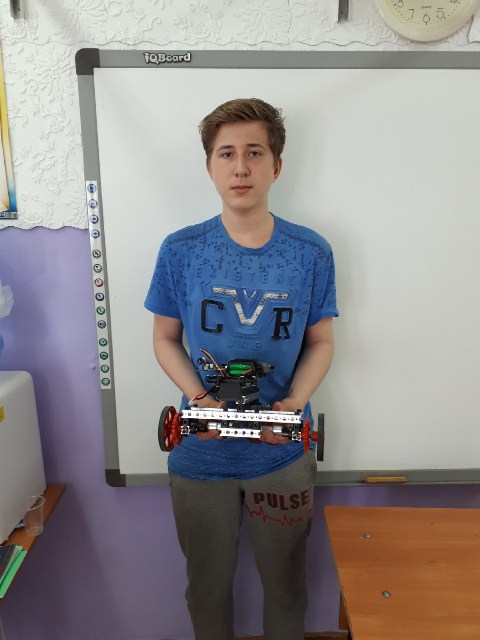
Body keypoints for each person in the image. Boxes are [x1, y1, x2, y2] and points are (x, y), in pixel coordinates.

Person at [144, 98, 338, 640]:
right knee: (206, 589)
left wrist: (293, 404)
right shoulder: (181, 250)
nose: (241, 167)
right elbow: (164, 339)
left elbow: (322, 341)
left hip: (281, 454)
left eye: (255, 152)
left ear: (277, 165)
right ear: (209, 167)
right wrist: (201, 400)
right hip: (200, 453)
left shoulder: (311, 252)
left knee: (287, 588)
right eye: (226, 154)